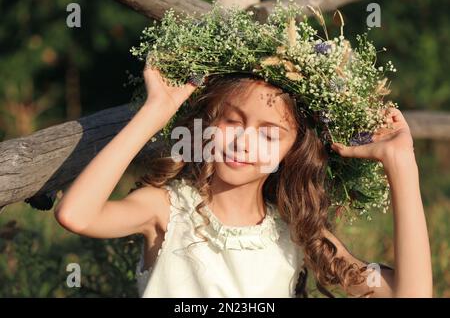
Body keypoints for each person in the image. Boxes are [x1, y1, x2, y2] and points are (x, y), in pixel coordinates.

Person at [54, 64, 432, 298]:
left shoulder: (296, 231)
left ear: (293, 151)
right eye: (232, 121)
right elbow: (77, 215)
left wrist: (400, 163)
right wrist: (155, 113)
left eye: (269, 134)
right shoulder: (167, 209)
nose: (243, 142)